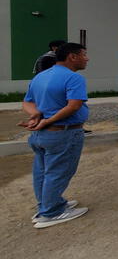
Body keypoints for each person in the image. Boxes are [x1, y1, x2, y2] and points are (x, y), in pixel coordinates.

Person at [20, 42, 90, 228]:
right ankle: (51, 213)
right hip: (63, 133)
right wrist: (49, 120)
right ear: (72, 57)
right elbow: (73, 105)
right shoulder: (73, 78)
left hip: (41, 135)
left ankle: (47, 205)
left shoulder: (40, 77)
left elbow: (27, 103)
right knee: (58, 172)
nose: (87, 58)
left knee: (42, 171)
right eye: (84, 54)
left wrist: (35, 115)